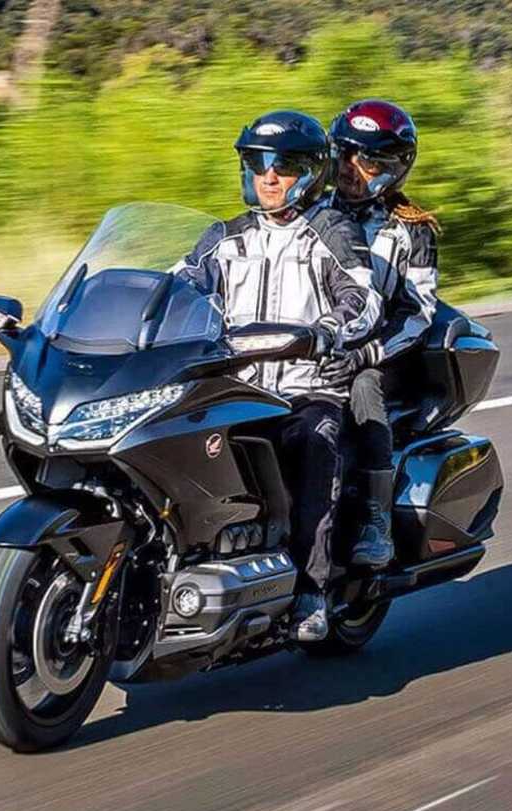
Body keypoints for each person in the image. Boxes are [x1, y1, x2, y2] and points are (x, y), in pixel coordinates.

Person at [174, 109, 382, 642]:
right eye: (258, 163)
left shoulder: (332, 231)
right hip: (231, 388)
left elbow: (363, 298)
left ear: (311, 171)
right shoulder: (225, 237)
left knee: (316, 440)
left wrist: (329, 330)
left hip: (304, 388)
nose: (269, 176)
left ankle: (312, 591)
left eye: (283, 165)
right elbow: (172, 291)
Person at [318, 99, 441, 569]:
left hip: (383, 351)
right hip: (316, 340)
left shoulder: (412, 231)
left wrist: (368, 353)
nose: (352, 168)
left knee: (363, 389)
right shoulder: (306, 209)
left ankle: (375, 520)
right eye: (344, 153)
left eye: (367, 159)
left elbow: (418, 311)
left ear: (393, 167)